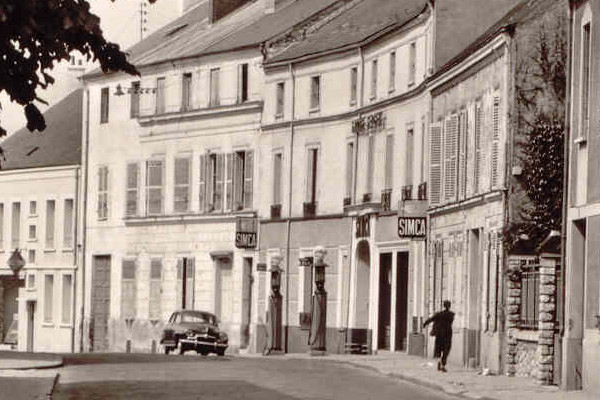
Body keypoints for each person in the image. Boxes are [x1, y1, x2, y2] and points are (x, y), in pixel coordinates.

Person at [423, 300, 455, 372]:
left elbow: (431, 319)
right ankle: (443, 365)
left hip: (440, 335)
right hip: (448, 335)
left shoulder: (439, 314)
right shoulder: (451, 315)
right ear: (449, 306)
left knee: (438, 349)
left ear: (443, 306)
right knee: (446, 350)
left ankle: (439, 360)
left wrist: (425, 324)